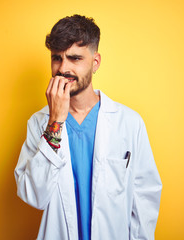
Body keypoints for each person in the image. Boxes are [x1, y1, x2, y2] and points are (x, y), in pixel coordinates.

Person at [14, 14, 162, 240]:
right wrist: (55, 122)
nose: (63, 68)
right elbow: (34, 196)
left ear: (95, 62)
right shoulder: (39, 123)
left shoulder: (129, 123)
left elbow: (144, 199)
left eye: (74, 59)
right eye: (56, 58)